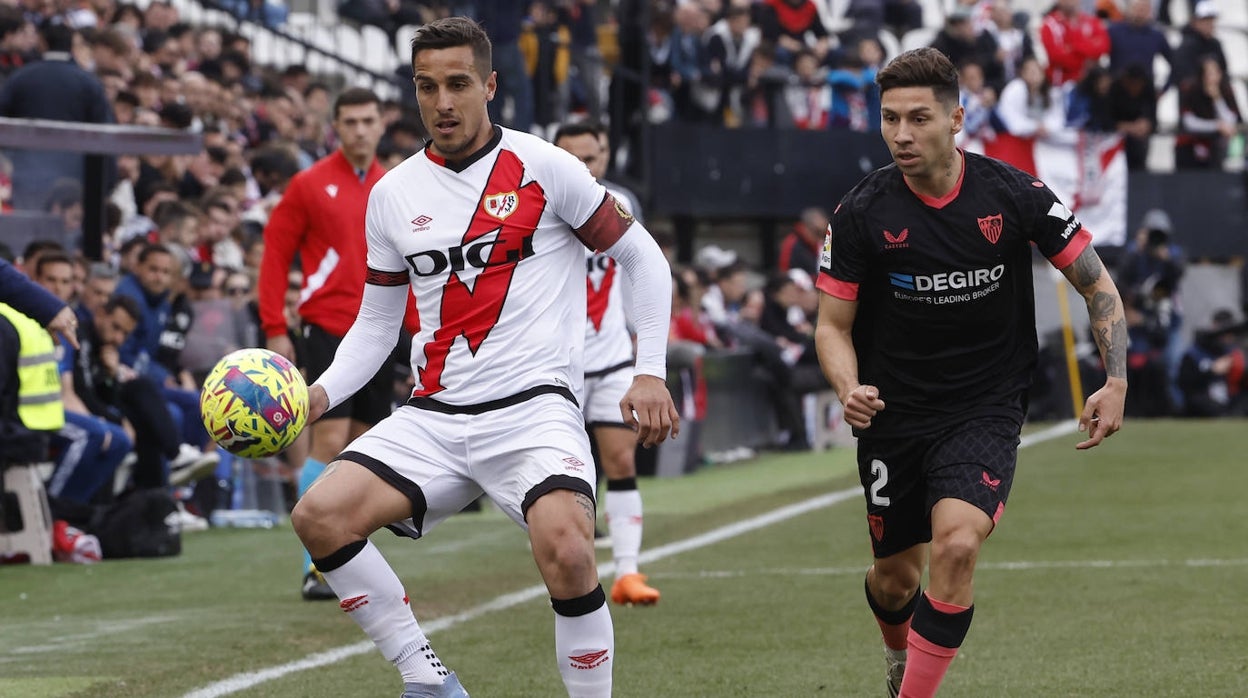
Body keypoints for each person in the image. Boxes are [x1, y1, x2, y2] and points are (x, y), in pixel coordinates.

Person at [289, 17, 677, 698]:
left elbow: (640, 254)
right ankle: (428, 680)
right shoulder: (393, 194)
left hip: (533, 409)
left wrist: (651, 370)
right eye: (426, 86)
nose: (442, 102)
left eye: (458, 84)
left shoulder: (545, 165)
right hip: (434, 413)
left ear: (490, 85)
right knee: (318, 517)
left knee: (568, 548)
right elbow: (377, 325)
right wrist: (321, 394)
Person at [813, 47, 1127, 698]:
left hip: (985, 405)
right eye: (890, 119)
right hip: (893, 413)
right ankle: (897, 652)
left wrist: (1115, 378)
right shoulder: (862, 212)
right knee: (895, 579)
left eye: (919, 118)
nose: (902, 134)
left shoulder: (1014, 194)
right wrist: (849, 389)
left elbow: (1097, 287)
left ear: (956, 119)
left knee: (956, 546)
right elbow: (832, 326)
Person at [258, 87, 412, 601]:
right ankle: (315, 565)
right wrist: (274, 325)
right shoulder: (308, 185)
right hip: (327, 326)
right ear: (336, 126)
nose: (361, 130)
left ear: (380, 124)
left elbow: (412, 268)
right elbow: (276, 255)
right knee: (329, 443)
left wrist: (418, 338)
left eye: (369, 120)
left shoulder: (396, 186)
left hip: (386, 332)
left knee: (368, 446)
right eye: (350, 121)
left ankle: (347, 555)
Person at [554, 119, 660, 606]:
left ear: (606, 154)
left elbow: (641, 272)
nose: (582, 167)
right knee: (566, 473)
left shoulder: (620, 204)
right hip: (556, 364)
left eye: (590, 157)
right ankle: (579, 576)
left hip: (612, 353)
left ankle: (629, 572)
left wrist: (645, 345)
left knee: (620, 459)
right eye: (570, 157)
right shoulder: (539, 202)